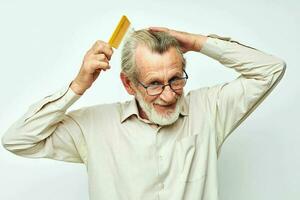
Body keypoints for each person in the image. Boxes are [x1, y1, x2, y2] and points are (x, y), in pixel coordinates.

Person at [2, 27, 286, 200]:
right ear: (129, 84)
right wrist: (78, 86)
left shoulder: (209, 109)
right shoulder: (93, 127)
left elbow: (270, 69)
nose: (168, 94)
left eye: (176, 78)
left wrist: (197, 42)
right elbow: (18, 140)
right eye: (153, 84)